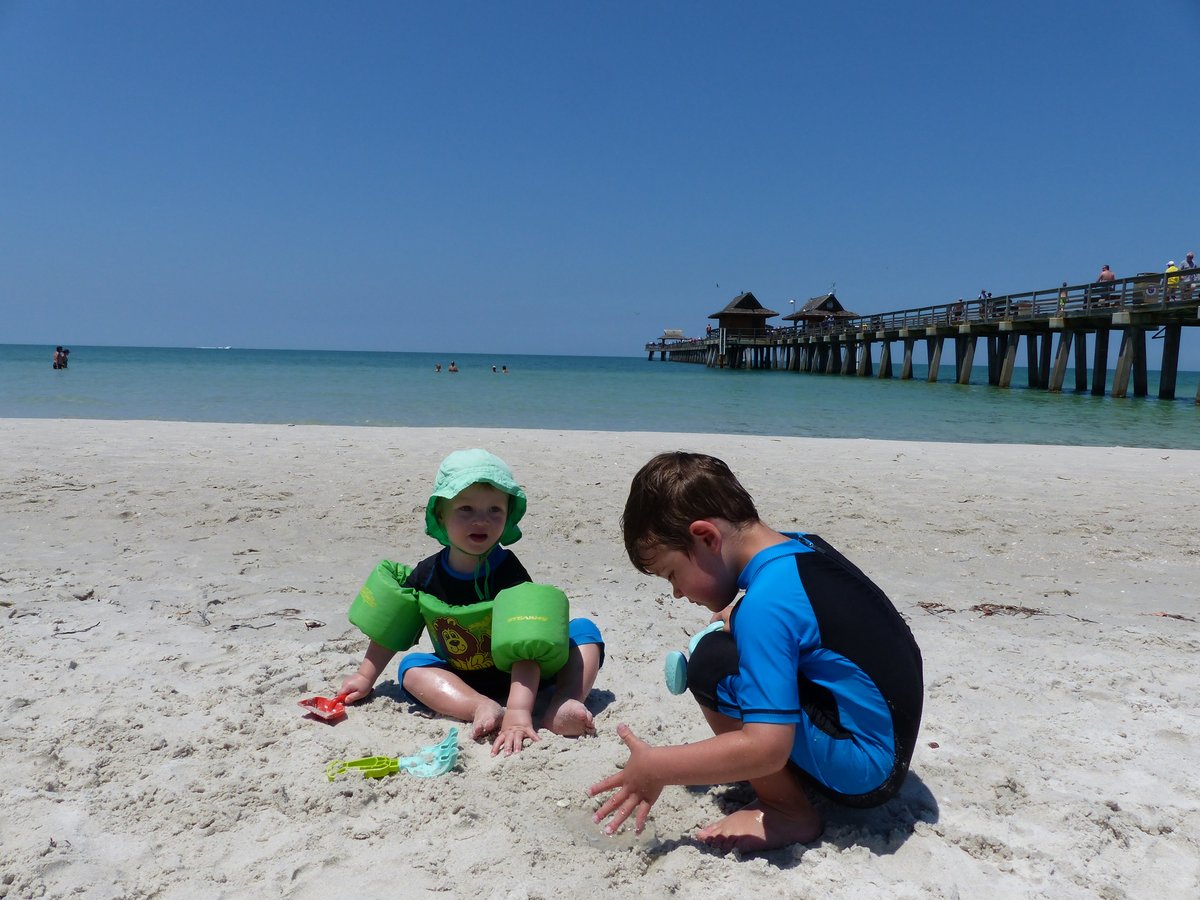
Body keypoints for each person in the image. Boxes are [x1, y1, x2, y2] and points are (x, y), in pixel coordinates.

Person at [590, 452, 924, 852]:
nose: (677, 592)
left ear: (706, 537)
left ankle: (786, 811)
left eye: (672, 574)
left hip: (865, 772)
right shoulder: (802, 548)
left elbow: (767, 748)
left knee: (712, 664)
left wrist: (657, 766)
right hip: (889, 738)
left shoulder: (766, 606)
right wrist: (743, 610)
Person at [340, 449, 603, 755]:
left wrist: (518, 713)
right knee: (411, 669)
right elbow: (390, 630)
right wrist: (364, 676)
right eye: (466, 509)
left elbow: (528, 646)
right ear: (441, 514)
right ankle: (480, 706)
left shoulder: (510, 573)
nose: (482, 521)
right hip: (463, 677)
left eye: (495, 510)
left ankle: (563, 702)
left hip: (525, 677)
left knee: (584, 632)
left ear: (508, 517)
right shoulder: (426, 575)